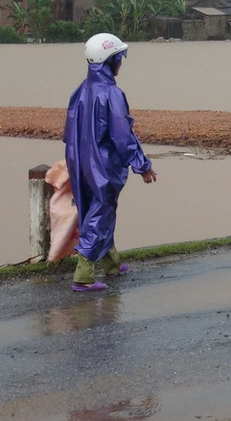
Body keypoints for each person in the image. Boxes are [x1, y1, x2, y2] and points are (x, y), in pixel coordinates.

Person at [63, 33, 158, 291]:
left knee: (93, 209)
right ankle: (83, 275)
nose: (121, 64)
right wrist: (142, 165)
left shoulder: (79, 91)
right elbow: (122, 135)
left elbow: (68, 133)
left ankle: (111, 264)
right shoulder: (112, 94)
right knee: (102, 211)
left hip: (78, 160)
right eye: (119, 59)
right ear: (110, 61)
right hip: (103, 165)